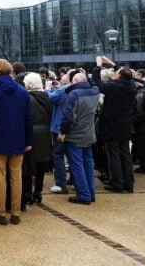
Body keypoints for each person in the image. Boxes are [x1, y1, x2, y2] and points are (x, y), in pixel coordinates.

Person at [0, 59, 32, 226]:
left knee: (0, 177)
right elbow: (28, 118)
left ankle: (0, 212)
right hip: (18, 139)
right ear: (10, 71)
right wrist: (28, 139)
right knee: (16, 177)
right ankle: (15, 212)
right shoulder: (22, 91)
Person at [92, 56, 137, 193]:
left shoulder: (114, 87)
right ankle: (128, 184)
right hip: (125, 125)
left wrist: (98, 67)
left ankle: (117, 183)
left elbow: (98, 83)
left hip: (112, 125)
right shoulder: (131, 86)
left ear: (120, 76)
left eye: (116, 73)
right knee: (125, 154)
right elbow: (126, 74)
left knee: (114, 156)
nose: (114, 74)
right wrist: (113, 64)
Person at [58, 72, 101, 205]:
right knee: (88, 163)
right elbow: (94, 84)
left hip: (75, 135)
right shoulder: (95, 92)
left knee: (77, 165)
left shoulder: (73, 94)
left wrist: (63, 132)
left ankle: (83, 194)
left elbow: (68, 117)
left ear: (75, 81)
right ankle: (90, 192)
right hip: (89, 133)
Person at [22, 72, 52, 205]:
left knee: (28, 164)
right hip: (45, 132)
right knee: (41, 165)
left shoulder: (27, 97)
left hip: (31, 131)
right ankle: (38, 192)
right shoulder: (47, 96)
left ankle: (28, 192)